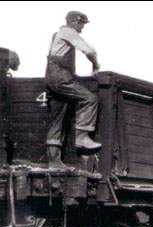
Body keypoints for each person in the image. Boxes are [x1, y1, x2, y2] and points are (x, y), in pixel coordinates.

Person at [45, 11, 101, 170]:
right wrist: (96, 65)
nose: (82, 27)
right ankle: (82, 137)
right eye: (82, 24)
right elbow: (90, 51)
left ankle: (54, 162)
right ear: (75, 22)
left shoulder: (58, 34)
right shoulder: (68, 32)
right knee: (90, 99)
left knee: (58, 120)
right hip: (60, 76)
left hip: (51, 77)